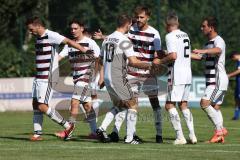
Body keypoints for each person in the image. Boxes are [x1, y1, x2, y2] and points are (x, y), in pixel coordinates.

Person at [94, 6, 163, 143]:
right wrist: (151, 65)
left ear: (148, 17)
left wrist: (101, 76)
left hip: (114, 77)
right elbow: (133, 61)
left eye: (141, 17)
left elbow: (101, 57)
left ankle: (102, 128)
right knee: (132, 105)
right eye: (135, 18)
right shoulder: (126, 37)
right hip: (124, 75)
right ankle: (129, 137)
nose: (137, 20)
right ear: (128, 24)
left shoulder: (110, 39)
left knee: (121, 105)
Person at [26, 16, 93, 141]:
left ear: (38, 25)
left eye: (31, 29)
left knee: (42, 106)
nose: (30, 32)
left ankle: (68, 126)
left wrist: (83, 49)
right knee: (35, 104)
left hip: (48, 76)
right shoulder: (38, 38)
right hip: (38, 76)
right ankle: (37, 134)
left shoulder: (51, 35)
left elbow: (69, 41)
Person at [154, 12, 197, 145]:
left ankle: (180, 137)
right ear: (177, 23)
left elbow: (173, 56)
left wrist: (160, 61)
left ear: (167, 25)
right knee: (184, 105)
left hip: (176, 74)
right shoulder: (185, 35)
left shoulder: (169, 36)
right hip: (187, 73)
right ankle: (192, 135)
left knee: (169, 105)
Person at [57, 19, 100, 139]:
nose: (73, 31)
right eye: (71, 29)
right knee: (87, 106)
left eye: (75, 28)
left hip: (86, 78)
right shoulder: (69, 44)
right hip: (77, 79)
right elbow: (59, 57)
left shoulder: (90, 43)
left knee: (74, 102)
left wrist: (99, 76)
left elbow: (99, 59)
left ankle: (69, 130)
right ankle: (95, 132)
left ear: (82, 28)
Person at [191, 16, 228, 143]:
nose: (201, 28)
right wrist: (182, 54)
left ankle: (220, 130)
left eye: (204, 26)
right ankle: (220, 135)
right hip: (213, 80)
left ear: (211, 27)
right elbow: (199, 57)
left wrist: (202, 50)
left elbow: (218, 50)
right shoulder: (207, 43)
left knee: (204, 103)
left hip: (217, 80)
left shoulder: (219, 40)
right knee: (215, 107)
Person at [227, 51, 240, 120]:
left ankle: (236, 116)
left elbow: (239, 71)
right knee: (237, 99)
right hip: (238, 83)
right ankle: (236, 116)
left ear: (234, 56)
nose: (233, 60)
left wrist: (229, 75)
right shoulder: (238, 61)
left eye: (232, 59)